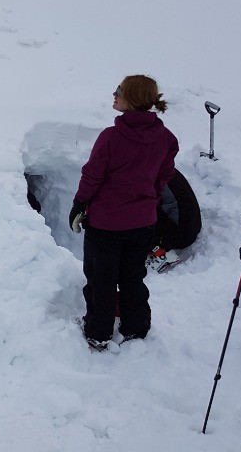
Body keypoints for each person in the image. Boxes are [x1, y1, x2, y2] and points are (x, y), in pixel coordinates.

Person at [69, 75, 178, 351]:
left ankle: (99, 332)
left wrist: (80, 203)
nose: (114, 94)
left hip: (105, 226)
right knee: (132, 277)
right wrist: (146, 201)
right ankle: (136, 328)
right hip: (142, 224)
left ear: (133, 98)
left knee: (101, 280)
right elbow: (163, 178)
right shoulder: (166, 138)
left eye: (119, 90)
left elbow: (92, 176)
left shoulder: (111, 137)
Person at [149, 169, 202, 264]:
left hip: (179, 235)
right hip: (193, 224)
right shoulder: (161, 163)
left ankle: (157, 251)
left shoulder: (144, 174)